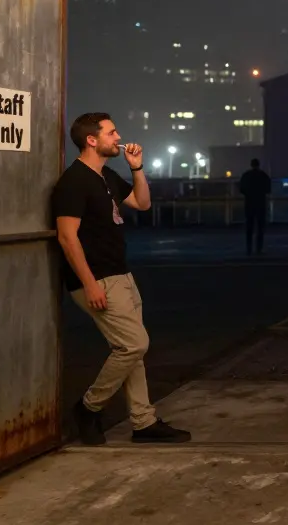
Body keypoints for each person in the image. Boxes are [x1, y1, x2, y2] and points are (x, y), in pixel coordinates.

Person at [52, 112, 191, 446]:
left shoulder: (106, 176)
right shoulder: (74, 181)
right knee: (133, 344)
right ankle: (89, 407)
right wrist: (89, 284)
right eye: (111, 133)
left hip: (121, 275)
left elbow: (142, 203)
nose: (118, 138)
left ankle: (143, 423)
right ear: (91, 139)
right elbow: (67, 238)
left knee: (133, 351)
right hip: (97, 280)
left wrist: (137, 167)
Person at [239, 158, 272, 255]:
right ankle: (259, 249)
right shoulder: (263, 176)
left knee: (249, 227)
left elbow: (241, 189)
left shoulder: (246, 176)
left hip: (249, 204)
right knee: (260, 228)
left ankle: (249, 249)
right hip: (260, 204)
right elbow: (268, 190)